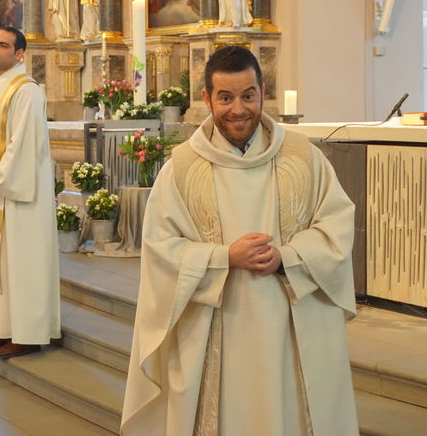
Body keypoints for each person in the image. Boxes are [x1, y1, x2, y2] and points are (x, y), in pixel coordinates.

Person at [121, 46, 359, 435]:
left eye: (248, 95)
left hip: (288, 326)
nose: (238, 109)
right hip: (216, 328)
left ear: (263, 92)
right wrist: (224, 256)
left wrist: (287, 256)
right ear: (207, 98)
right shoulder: (182, 169)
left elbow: (337, 225)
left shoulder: (303, 157)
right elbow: (161, 248)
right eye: (225, 97)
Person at [0, 27, 61, 359]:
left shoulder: (27, 91)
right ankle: (2, 328)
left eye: (2, 45)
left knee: (22, 263)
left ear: (19, 54)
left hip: (21, 199)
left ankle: (28, 334)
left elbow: (24, 147)